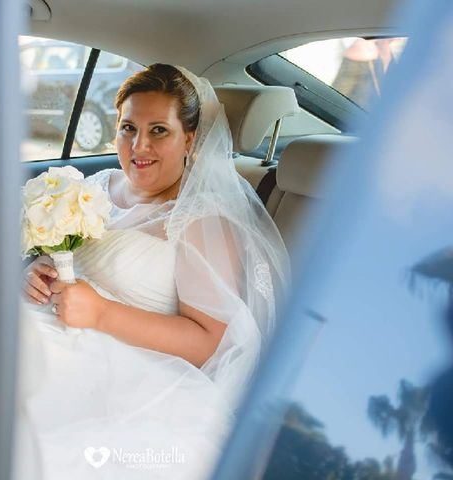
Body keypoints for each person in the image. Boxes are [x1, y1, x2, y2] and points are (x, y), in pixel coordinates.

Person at [20, 64, 289, 479]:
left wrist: (102, 314)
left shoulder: (199, 222)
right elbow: (72, 263)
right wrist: (40, 274)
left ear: (189, 139)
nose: (138, 145)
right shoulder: (97, 187)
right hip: (46, 334)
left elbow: (210, 344)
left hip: (129, 378)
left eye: (158, 130)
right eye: (128, 127)